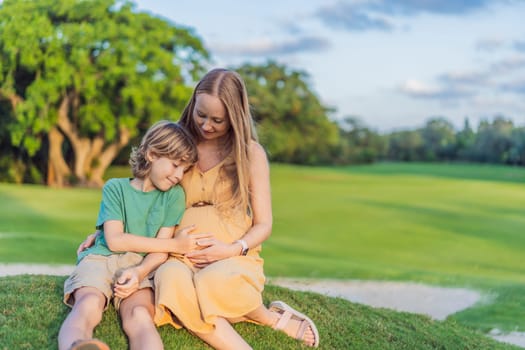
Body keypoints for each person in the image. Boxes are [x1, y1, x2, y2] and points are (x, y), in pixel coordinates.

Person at [79, 68, 319, 349]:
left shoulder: (250, 154)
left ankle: (266, 316)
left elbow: (264, 223)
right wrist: (105, 234)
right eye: (201, 114)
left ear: (234, 116)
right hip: (178, 255)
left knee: (211, 283)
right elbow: (141, 191)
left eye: (217, 120)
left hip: (231, 254)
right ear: (193, 104)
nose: (206, 125)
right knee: (170, 282)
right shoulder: (181, 146)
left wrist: (232, 249)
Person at [59, 120, 210, 350]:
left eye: (184, 169)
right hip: (101, 259)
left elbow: (159, 252)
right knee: (89, 303)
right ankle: (76, 346)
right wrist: (174, 245)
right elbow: (115, 240)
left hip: (141, 266)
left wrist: (139, 273)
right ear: (151, 154)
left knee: (140, 315)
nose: (179, 175)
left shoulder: (174, 196)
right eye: (175, 165)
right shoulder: (115, 188)